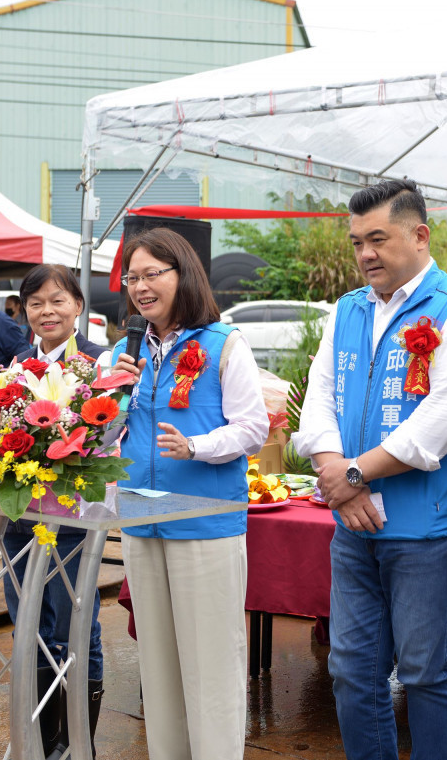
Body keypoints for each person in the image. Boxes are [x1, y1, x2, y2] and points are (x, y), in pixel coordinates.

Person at [293, 179, 447, 760]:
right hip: (354, 529)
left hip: (426, 530)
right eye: (357, 241)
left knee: (426, 672)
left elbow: (446, 418)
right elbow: (320, 399)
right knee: (352, 671)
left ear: (419, 234)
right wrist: (340, 478)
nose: (365, 254)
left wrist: (352, 475)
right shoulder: (348, 310)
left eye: (377, 239)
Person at [109, 228, 268, 760]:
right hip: (140, 518)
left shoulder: (224, 344)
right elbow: (103, 436)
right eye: (133, 277)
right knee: (157, 662)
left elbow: (252, 428)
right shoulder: (125, 353)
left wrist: (197, 446)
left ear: (184, 275)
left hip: (205, 520)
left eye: (154, 273)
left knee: (211, 663)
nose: (141, 286)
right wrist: (108, 399)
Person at [0, 264, 107, 760]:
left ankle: (78, 738)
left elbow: (107, 441)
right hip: (18, 520)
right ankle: (42, 738)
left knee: (74, 624)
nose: (47, 311)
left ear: (78, 306)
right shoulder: (14, 368)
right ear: (23, 311)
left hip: (74, 519)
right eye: (36, 302)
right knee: (28, 628)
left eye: (58, 300)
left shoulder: (100, 365)